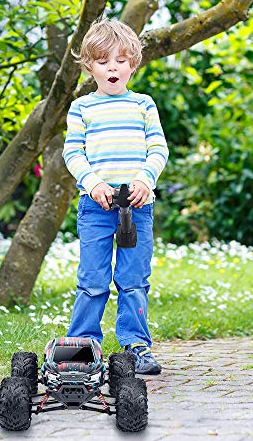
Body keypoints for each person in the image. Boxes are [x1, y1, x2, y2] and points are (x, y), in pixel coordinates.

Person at [62, 19, 169, 374]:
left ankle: (136, 345)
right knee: (92, 280)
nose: (113, 67)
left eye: (121, 60)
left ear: (133, 65)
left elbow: (158, 148)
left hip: (136, 207)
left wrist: (145, 180)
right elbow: (73, 152)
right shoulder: (82, 109)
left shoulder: (144, 105)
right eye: (104, 61)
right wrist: (92, 182)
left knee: (133, 279)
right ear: (89, 65)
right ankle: (82, 346)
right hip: (97, 206)